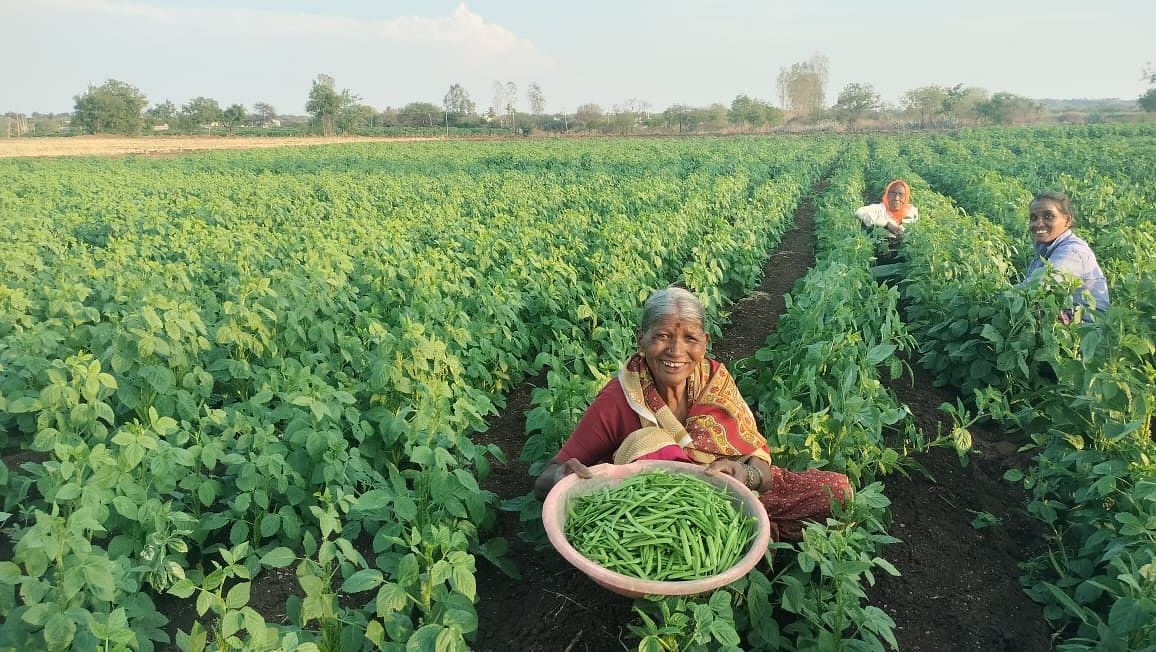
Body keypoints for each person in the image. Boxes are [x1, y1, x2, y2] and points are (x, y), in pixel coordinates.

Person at [534, 287, 853, 542]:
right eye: (661, 336)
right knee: (651, 441)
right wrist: (565, 478)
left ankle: (742, 532)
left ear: (704, 342)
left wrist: (746, 475)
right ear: (640, 340)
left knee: (836, 491)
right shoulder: (619, 398)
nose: (676, 351)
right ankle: (742, 536)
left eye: (690, 338)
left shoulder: (714, 379)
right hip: (657, 518)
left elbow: (760, 465)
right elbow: (546, 477)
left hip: (730, 495)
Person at [1020, 191, 1109, 319]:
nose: (1038, 223)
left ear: (1067, 220)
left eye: (1048, 216)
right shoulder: (1045, 248)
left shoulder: (1072, 252)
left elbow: (1031, 291)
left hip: (1085, 334)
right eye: (1033, 218)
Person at [855, 179, 919, 243]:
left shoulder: (911, 212)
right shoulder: (879, 209)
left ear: (906, 197)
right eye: (893, 193)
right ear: (887, 195)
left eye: (901, 194)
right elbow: (859, 211)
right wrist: (887, 225)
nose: (896, 198)